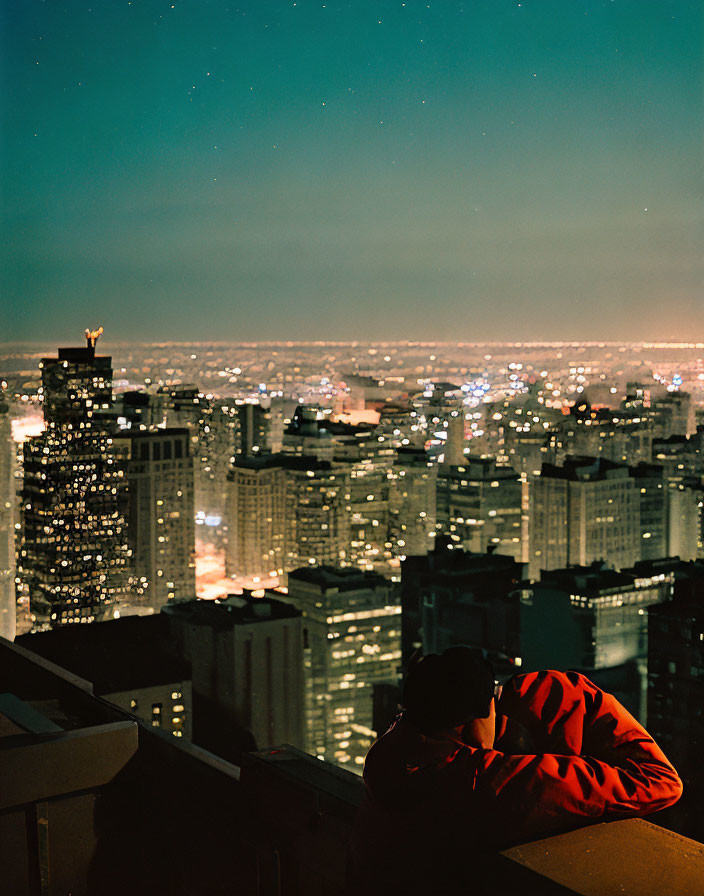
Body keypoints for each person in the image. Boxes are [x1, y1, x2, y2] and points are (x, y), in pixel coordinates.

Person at [346, 647, 683, 895]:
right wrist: (578, 695)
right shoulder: (486, 782)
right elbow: (660, 781)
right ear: (475, 719)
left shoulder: (389, 759)